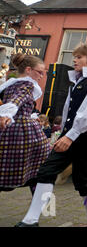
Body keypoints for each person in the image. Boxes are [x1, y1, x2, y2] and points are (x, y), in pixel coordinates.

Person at [16, 43, 87, 227]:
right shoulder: (75, 84)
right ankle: (30, 220)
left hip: (83, 140)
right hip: (67, 137)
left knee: (84, 183)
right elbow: (67, 113)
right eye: (75, 56)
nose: (74, 60)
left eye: (79, 57)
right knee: (46, 172)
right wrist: (62, 134)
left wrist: (70, 136)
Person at [0, 54, 51, 195]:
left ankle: (40, 208)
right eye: (39, 72)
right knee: (41, 169)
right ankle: (43, 208)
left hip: (9, 127)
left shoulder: (11, 84)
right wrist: (6, 113)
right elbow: (18, 99)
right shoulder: (27, 85)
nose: (42, 76)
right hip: (23, 131)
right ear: (28, 70)